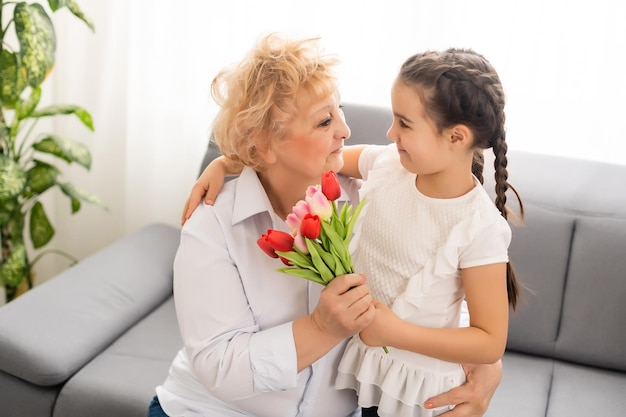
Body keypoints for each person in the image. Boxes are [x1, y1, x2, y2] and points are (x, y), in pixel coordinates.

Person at [166, 33, 504, 417]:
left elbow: (434, 280)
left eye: (338, 109)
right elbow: (220, 367)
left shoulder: (373, 189)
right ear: (263, 145)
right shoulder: (212, 227)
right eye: (325, 121)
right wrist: (322, 328)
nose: (345, 129)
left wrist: (484, 364)